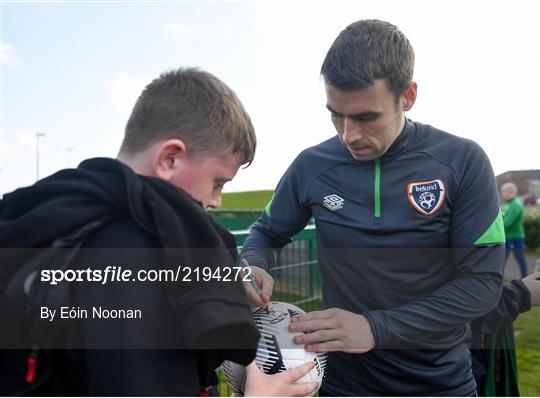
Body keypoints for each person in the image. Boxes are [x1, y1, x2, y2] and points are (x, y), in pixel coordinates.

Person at [0, 68, 318, 396]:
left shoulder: (57, 214)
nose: (216, 200)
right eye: (218, 182)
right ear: (169, 159)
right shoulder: (138, 259)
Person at [241, 20, 507, 396]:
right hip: (344, 385)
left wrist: (374, 327)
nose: (348, 134)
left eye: (366, 117)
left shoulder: (462, 161)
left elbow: (481, 285)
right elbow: (267, 232)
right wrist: (255, 262)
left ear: (408, 96)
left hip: (439, 383)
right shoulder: (311, 165)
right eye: (336, 114)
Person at [500, 182, 528, 278]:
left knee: (520, 259)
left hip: (514, 237)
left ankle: (525, 279)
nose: (502, 194)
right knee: (502, 260)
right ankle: (498, 280)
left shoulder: (515, 204)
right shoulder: (509, 203)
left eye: (503, 191)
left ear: (510, 192)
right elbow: (503, 216)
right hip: (508, 237)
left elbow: (507, 222)